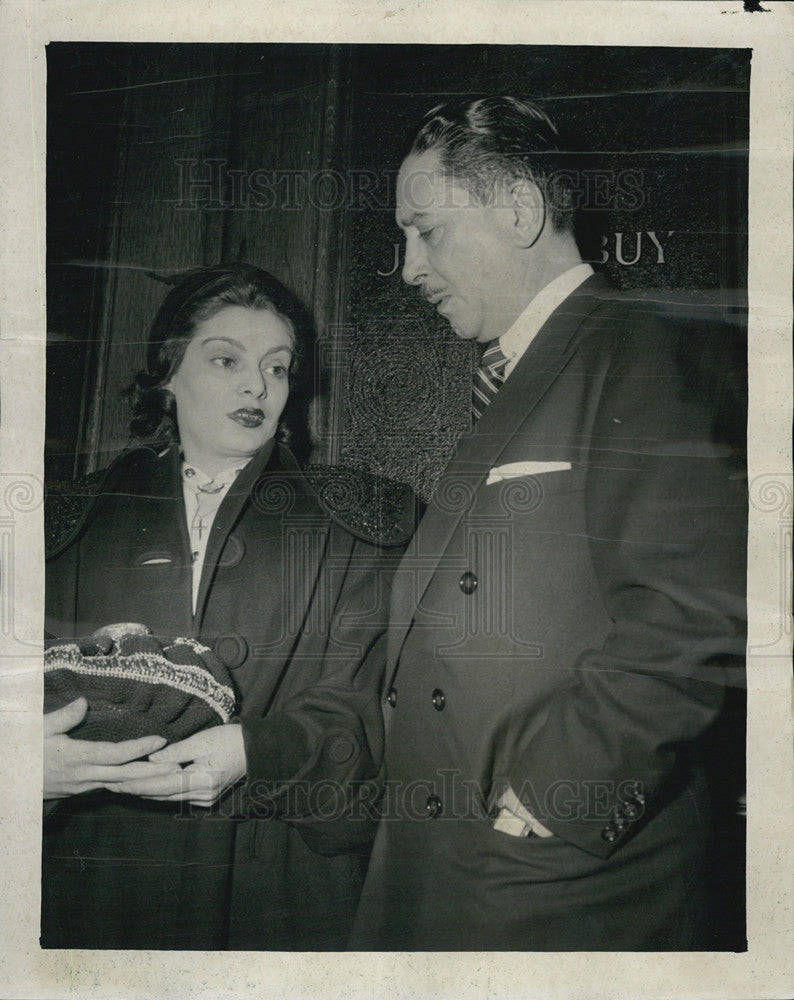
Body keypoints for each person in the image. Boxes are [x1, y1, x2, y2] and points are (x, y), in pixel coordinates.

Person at [350, 97, 747, 950]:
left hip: (555, 886)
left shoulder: (642, 349)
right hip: (453, 863)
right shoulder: (525, 365)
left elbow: (699, 613)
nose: (408, 265)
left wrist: (553, 803)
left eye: (427, 231)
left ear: (522, 211)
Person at [42, 262, 409, 950]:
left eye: (278, 368)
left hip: (282, 895)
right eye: (226, 359)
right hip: (93, 894)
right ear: (167, 371)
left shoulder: (362, 522)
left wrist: (257, 751)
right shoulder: (62, 524)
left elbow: (384, 712)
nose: (257, 386)